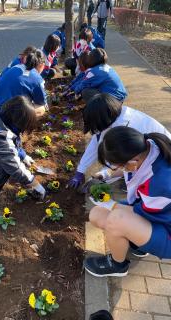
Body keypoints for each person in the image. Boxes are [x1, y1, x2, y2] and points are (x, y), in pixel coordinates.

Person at [84, 126, 171, 277]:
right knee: (96, 214)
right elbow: (128, 168)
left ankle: (117, 265)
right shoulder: (148, 147)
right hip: (157, 215)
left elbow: (139, 212)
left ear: (132, 160)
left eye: (115, 165)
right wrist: (105, 175)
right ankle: (138, 243)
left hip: (167, 230)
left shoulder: (161, 181)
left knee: (116, 220)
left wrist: (109, 203)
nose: (116, 168)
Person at [68, 93, 171, 189]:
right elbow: (96, 143)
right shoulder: (112, 115)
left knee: (134, 183)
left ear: (102, 119)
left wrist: (103, 176)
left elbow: (121, 161)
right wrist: (80, 170)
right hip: (146, 155)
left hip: (162, 159)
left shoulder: (126, 128)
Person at [0, 50, 48, 116]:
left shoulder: (17, 66)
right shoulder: (37, 78)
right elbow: (42, 102)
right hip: (5, 110)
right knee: (42, 108)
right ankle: (22, 124)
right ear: (41, 64)